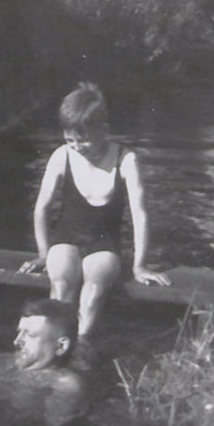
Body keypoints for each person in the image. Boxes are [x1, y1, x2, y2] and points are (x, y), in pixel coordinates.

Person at [19, 82, 169, 339]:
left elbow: (140, 216)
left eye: (84, 139)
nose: (78, 146)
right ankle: (54, 348)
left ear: (104, 128)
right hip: (65, 238)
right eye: (70, 140)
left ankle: (80, 348)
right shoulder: (62, 156)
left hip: (104, 243)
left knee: (93, 293)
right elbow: (42, 208)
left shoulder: (126, 160)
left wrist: (140, 265)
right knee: (62, 286)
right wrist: (43, 254)